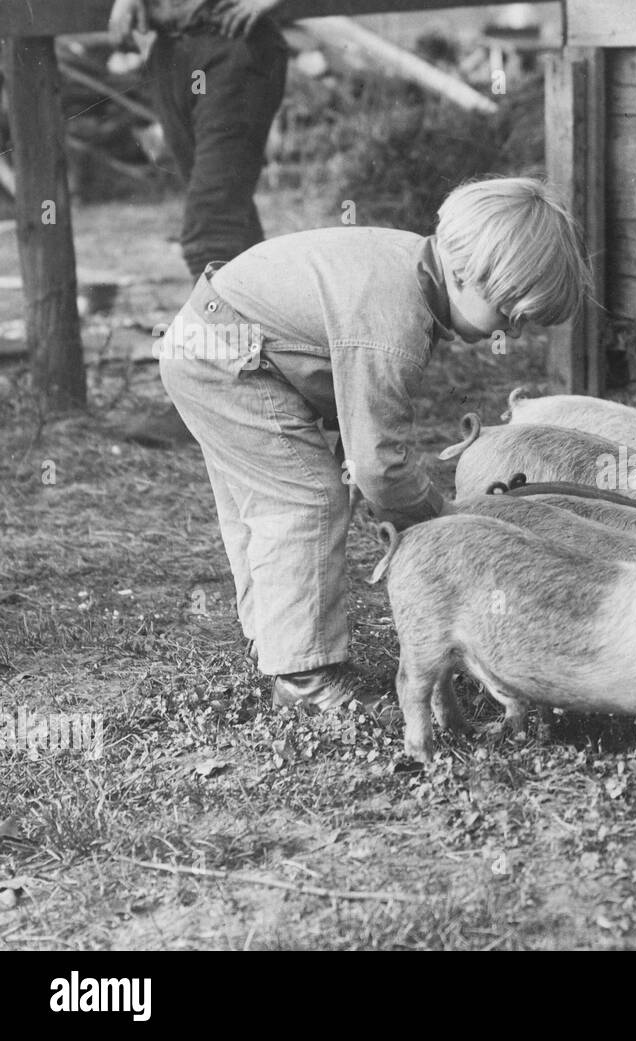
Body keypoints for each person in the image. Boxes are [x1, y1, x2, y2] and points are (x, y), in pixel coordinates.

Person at [155, 177, 592, 712]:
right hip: (227, 359)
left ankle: (278, 642)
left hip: (211, 338)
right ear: (459, 273)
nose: (515, 336)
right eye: (509, 316)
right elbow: (378, 467)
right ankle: (304, 680)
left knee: (261, 504)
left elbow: (357, 417)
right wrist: (442, 518)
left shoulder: (410, 266)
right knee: (306, 499)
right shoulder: (394, 323)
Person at [108, 0, 288, 446]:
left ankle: (211, 396)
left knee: (212, 228)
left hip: (231, 47)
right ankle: (260, 388)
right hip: (172, 50)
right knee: (232, 225)